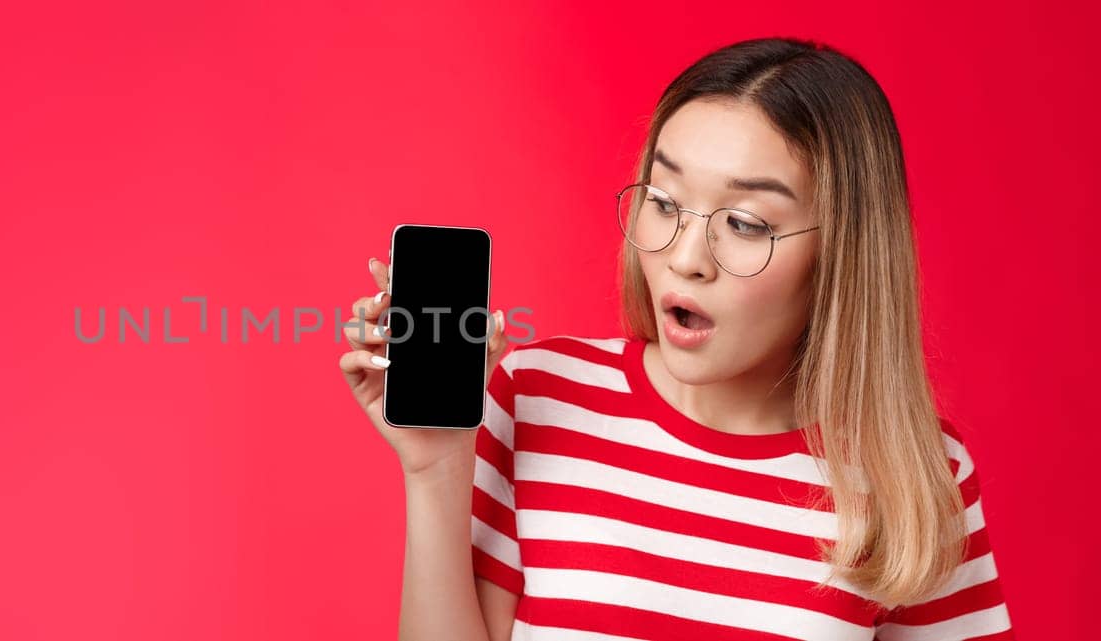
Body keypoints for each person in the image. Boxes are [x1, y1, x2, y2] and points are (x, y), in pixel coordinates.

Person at [338, 37, 1014, 640]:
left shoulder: (919, 475)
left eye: (745, 223)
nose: (687, 255)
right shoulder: (532, 396)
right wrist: (435, 472)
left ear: (843, 254)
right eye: (663, 202)